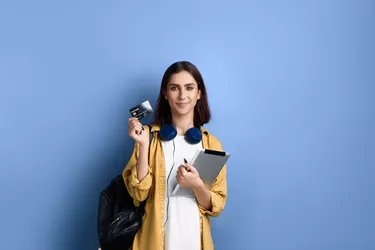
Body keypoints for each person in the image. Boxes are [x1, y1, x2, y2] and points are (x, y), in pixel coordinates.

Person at [123, 61, 227, 250]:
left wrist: (196, 185)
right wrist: (144, 146)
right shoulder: (149, 137)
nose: (182, 95)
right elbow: (138, 194)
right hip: (154, 242)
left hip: (195, 242)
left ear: (199, 93)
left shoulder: (212, 144)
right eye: (174, 88)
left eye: (189, 88)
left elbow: (216, 206)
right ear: (165, 93)